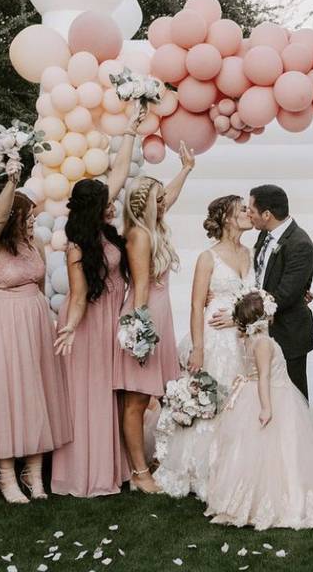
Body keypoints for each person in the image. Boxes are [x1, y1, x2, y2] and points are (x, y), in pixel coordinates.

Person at [49, 110, 141, 497]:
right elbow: (80, 294)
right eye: (105, 201)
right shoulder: (76, 245)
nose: (112, 203)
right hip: (86, 325)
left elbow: (118, 175)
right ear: (93, 208)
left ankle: (113, 466)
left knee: (110, 395)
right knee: (90, 397)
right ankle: (86, 473)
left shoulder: (103, 229)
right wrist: (70, 326)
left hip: (110, 321)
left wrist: (132, 131)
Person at [204, 289, 313, 530]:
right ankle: (277, 502)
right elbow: (263, 378)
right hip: (274, 397)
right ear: (266, 317)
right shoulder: (263, 343)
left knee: (256, 451)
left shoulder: (247, 339)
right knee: (279, 451)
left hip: (253, 395)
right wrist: (266, 408)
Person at [0, 164, 72, 504]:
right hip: (2, 325)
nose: (33, 220)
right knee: (7, 394)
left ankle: (33, 470)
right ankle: (5, 474)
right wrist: (12, 181)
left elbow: (42, 288)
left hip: (34, 323)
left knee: (36, 392)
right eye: (27, 214)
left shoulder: (35, 245)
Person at [153, 194, 255, 500]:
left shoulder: (250, 253)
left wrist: (242, 320)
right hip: (213, 338)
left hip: (242, 337)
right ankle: (202, 469)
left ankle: (239, 466)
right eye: (243, 210)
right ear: (227, 218)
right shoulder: (207, 258)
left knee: (241, 401)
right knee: (213, 399)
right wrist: (198, 348)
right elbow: (197, 306)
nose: (250, 214)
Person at [115, 145, 195, 494]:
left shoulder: (154, 226)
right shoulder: (139, 235)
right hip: (145, 316)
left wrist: (186, 170)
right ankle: (139, 472)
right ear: (146, 204)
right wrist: (140, 333)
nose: (164, 203)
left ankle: (164, 459)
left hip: (161, 316)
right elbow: (141, 287)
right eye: (158, 199)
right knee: (135, 399)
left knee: (164, 394)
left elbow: (170, 197)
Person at [248, 184, 313, 399]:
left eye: (251, 210)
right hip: (262, 330)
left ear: (267, 214)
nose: (248, 215)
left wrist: (241, 313)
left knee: (293, 398)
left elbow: (284, 296)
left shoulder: (300, 244)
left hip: (288, 333)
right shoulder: (265, 235)